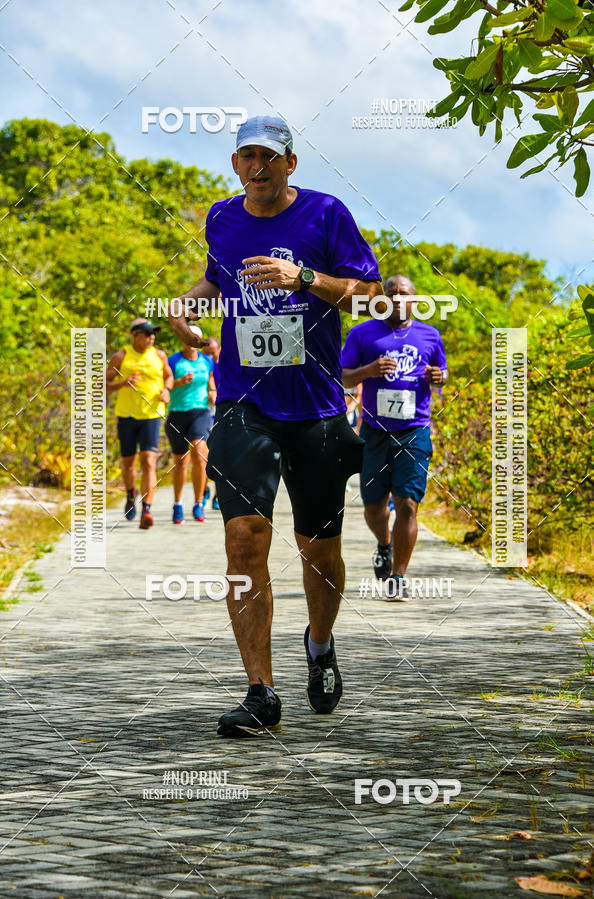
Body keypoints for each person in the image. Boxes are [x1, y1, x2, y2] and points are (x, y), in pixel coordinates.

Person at [169, 114, 382, 737]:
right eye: (245, 157)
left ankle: (319, 644)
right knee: (244, 538)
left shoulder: (326, 214)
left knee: (319, 551)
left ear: (291, 163)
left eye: (268, 156)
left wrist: (305, 278)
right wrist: (187, 304)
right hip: (242, 402)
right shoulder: (222, 216)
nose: (256, 167)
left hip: (315, 409)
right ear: (236, 164)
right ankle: (259, 691)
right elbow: (218, 279)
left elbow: (370, 297)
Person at [341, 275, 448, 599]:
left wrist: (439, 376)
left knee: (407, 505)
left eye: (404, 294)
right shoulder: (363, 333)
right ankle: (384, 544)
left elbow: (442, 373)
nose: (398, 299)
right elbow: (341, 375)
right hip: (375, 432)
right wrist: (369, 371)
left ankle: (398, 577)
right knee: (374, 507)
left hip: (414, 430)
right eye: (392, 293)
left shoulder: (430, 335)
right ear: (382, 299)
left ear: (414, 300)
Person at [106, 318, 173, 529]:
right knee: (128, 463)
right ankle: (129, 494)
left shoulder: (159, 355)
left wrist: (167, 390)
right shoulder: (121, 357)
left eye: (153, 333)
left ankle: (147, 509)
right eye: (147, 333)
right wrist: (123, 383)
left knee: (149, 461)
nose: (151, 337)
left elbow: (168, 376)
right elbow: (103, 385)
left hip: (152, 415)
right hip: (126, 416)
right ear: (135, 335)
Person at [166, 331, 216, 524]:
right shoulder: (173, 360)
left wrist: (212, 391)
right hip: (178, 412)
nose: (192, 343)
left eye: (196, 339)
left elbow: (210, 380)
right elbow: (166, 384)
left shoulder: (206, 361)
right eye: (189, 339)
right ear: (183, 340)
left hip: (201, 412)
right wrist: (179, 382)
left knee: (199, 452)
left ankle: (198, 504)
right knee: (180, 462)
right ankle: (178, 504)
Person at [201, 337, 221, 511]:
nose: (210, 356)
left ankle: (218, 494)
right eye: (206, 353)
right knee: (203, 453)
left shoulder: (227, 362)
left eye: (213, 352)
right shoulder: (204, 365)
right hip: (205, 411)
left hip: (225, 411)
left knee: (221, 453)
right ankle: (204, 488)